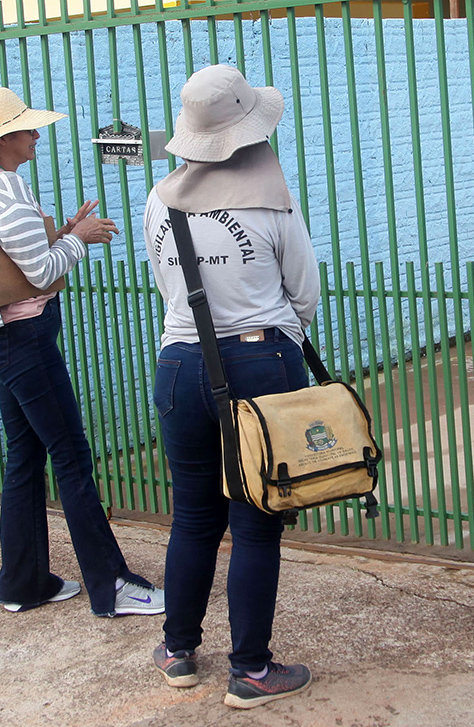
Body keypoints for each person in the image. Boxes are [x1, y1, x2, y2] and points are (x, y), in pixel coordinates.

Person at [0, 86, 164, 618]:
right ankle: (111, 586)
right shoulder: (4, 189)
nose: (37, 136)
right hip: (23, 342)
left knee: (24, 457)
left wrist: (64, 230)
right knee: (70, 455)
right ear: (4, 140)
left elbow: (17, 260)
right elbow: (41, 272)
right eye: (28, 129)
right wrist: (80, 239)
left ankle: (23, 583)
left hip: (0, 340)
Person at [142, 65, 321, 708]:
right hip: (258, 363)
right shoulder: (271, 197)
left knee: (192, 515)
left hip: (180, 364)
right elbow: (304, 293)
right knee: (255, 522)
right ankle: (249, 670)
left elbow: (168, 283)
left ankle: (178, 649)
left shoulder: (161, 198)